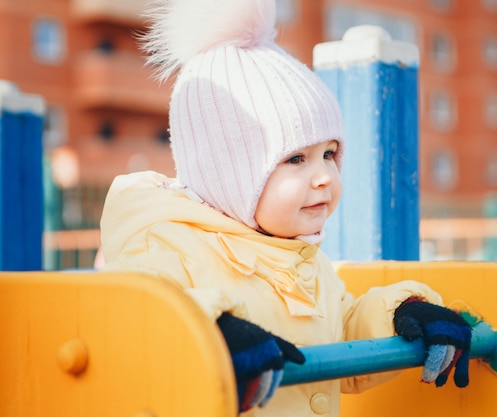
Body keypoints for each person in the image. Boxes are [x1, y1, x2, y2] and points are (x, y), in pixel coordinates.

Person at [99, 0, 471, 415]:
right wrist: (213, 331)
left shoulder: (300, 259)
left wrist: (404, 314)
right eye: (296, 159)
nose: (325, 176)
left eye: (329, 154)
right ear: (228, 173)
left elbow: (340, 330)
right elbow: (136, 313)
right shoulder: (166, 242)